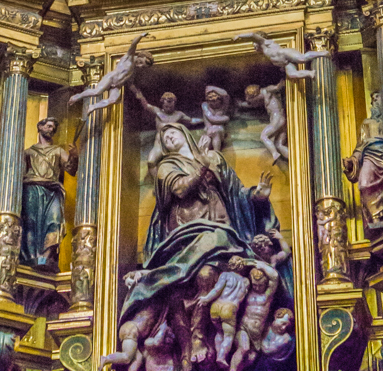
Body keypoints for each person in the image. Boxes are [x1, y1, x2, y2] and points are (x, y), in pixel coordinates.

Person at [117, 122, 283, 371]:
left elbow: (235, 194)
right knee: (175, 291)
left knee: (207, 274)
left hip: (220, 229)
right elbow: (181, 189)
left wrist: (257, 196)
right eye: (165, 138)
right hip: (185, 233)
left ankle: (199, 339)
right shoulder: (167, 166)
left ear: (185, 134)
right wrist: (203, 165)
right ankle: (191, 345)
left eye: (173, 133)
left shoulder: (214, 157)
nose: (169, 138)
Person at [21, 116, 78, 270]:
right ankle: (31, 258)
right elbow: (19, 174)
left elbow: (71, 170)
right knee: (30, 223)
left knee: (54, 222)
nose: (51, 129)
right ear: (40, 127)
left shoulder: (58, 150)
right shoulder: (28, 152)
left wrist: (74, 155)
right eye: (48, 126)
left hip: (52, 191)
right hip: (32, 189)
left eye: (53, 127)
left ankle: (45, 258)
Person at [69, 33, 153, 113]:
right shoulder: (129, 57)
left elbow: (130, 83)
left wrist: (137, 93)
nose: (140, 66)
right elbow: (133, 44)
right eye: (141, 63)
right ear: (140, 56)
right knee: (97, 92)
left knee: (113, 100)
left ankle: (93, 106)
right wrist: (141, 35)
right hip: (111, 78)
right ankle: (77, 96)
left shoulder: (133, 70)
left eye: (143, 66)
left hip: (117, 86)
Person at [342, 91, 383, 230]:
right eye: (373, 100)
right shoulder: (367, 123)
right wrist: (352, 160)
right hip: (370, 155)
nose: (374, 102)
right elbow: (361, 145)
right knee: (364, 184)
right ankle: (376, 216)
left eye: (377, 98)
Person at [130, 86, 203, 169]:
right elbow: (146, 106)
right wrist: (140, 96)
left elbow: (191, 120)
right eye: (166, 107)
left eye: (171, 107)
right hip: (160, 140)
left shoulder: (178, 114)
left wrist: (204, 120)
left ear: (174, 104)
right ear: (162, 104)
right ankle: (159, 180)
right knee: (151, 162)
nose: (168, 109)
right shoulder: (157, 111)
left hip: (175, 140)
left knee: (188, 160)